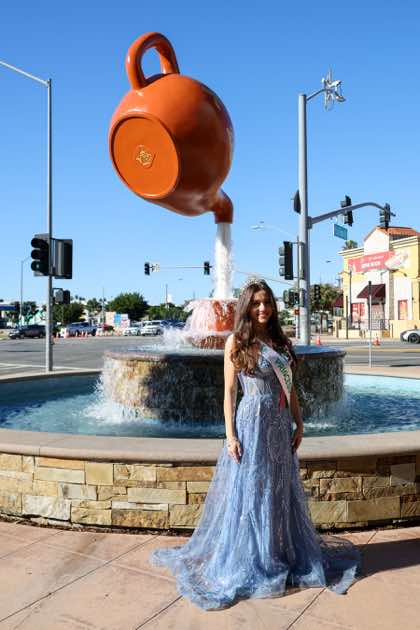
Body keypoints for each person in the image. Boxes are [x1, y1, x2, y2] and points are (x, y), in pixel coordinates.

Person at [150, 277, 361, 610]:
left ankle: (278, 552)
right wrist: (231, 435)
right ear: (247, 307)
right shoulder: (236, 341)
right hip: (251, 422)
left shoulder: (280, 342)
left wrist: (300, 422)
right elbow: (229, 393)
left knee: (279, 488)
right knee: (252, 488)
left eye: (267, 303)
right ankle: (252, 558)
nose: (263, 308)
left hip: (279, 423)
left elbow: (290, 389)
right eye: (256, 303)